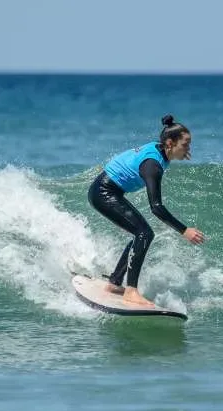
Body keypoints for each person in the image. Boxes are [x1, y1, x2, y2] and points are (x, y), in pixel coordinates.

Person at [87, 114, 205, 307]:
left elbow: (163, 151)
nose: (188, 149)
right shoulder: (153, 166)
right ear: (169, 142)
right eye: (185, 145)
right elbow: (156, 208)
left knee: (140, 233)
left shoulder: (161, 149)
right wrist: (185, 230)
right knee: (144, 233)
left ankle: (115, 283)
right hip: (103, 192)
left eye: (189, 144)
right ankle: (131, 291)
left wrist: (178, 152)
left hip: (107, 190)